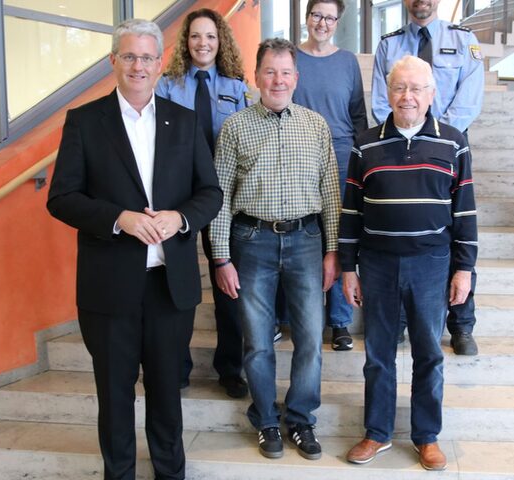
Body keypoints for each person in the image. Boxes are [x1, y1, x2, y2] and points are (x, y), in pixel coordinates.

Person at [46, 19, 222, 480]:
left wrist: (179, 218)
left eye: (147, 57)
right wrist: (118, 219)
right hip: (109, 289)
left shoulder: (184, 122)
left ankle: (170, 473)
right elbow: (61, 197)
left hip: (170, 288)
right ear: (113, 62)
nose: (138, 65)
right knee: (116, 397)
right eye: (129, 56)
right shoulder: (84, 122)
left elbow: (210, 192)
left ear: (160, 63)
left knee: (166, 394)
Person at [341, 55, 477, 471]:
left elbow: (465, 211)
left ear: (432, 94)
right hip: (378, 263)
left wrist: (464, 268)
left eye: (417, 88)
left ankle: (427, 436)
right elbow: (351, 211)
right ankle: (377, 432)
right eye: (400, 87)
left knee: (428, 354)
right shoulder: (365, 145)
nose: (408, 96)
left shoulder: (453, 142)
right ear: (387, 91)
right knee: (378, 353)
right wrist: (348, 267)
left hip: (431, 264)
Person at [209, 38, 340, 461]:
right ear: (256, 76)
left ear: (296, 79)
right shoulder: (235, 127)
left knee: (309, 340)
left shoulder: (316, 125)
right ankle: (267, 420)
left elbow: (331, 192)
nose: (278, 79)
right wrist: (220, 257)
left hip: (305, 241)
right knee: (258, 343)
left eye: (285, 72)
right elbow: (220, 196)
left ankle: (300, 419)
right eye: (270, 71)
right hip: (252, 243)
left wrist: (333, 250)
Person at [371, 0, 484, 356]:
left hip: (447, 150)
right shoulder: (388, 45)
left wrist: (435, 135)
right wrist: (409, 132)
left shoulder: (465, 40)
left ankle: (462, 324)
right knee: (408, 232)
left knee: (452, 232)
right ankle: (403, 319)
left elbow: (470, 97)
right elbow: (379, 101)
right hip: (396, 150)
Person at [155, 7, 250, 399]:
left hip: (223, 196)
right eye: (195, 36)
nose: (203, 43)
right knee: (177, 285)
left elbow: (246, 141)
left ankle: (230, 367)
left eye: (210, 36)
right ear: (186, 41)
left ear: (221, 40)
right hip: (178, 195)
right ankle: (175, 366)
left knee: (227, 283)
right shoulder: (167, 86)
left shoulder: (235, 86)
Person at [293, 0, 368, 351]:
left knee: (339, 239)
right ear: (307, 18)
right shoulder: (292, 58)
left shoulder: (348, 62)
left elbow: (357, 116)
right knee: (303, 236)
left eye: (329, 18)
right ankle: (299, 315)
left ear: (338, 22)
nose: (322, 23)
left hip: (340, 155)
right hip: (298, 153)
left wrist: (361, 160)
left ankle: (339, 321)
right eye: (317, 15)